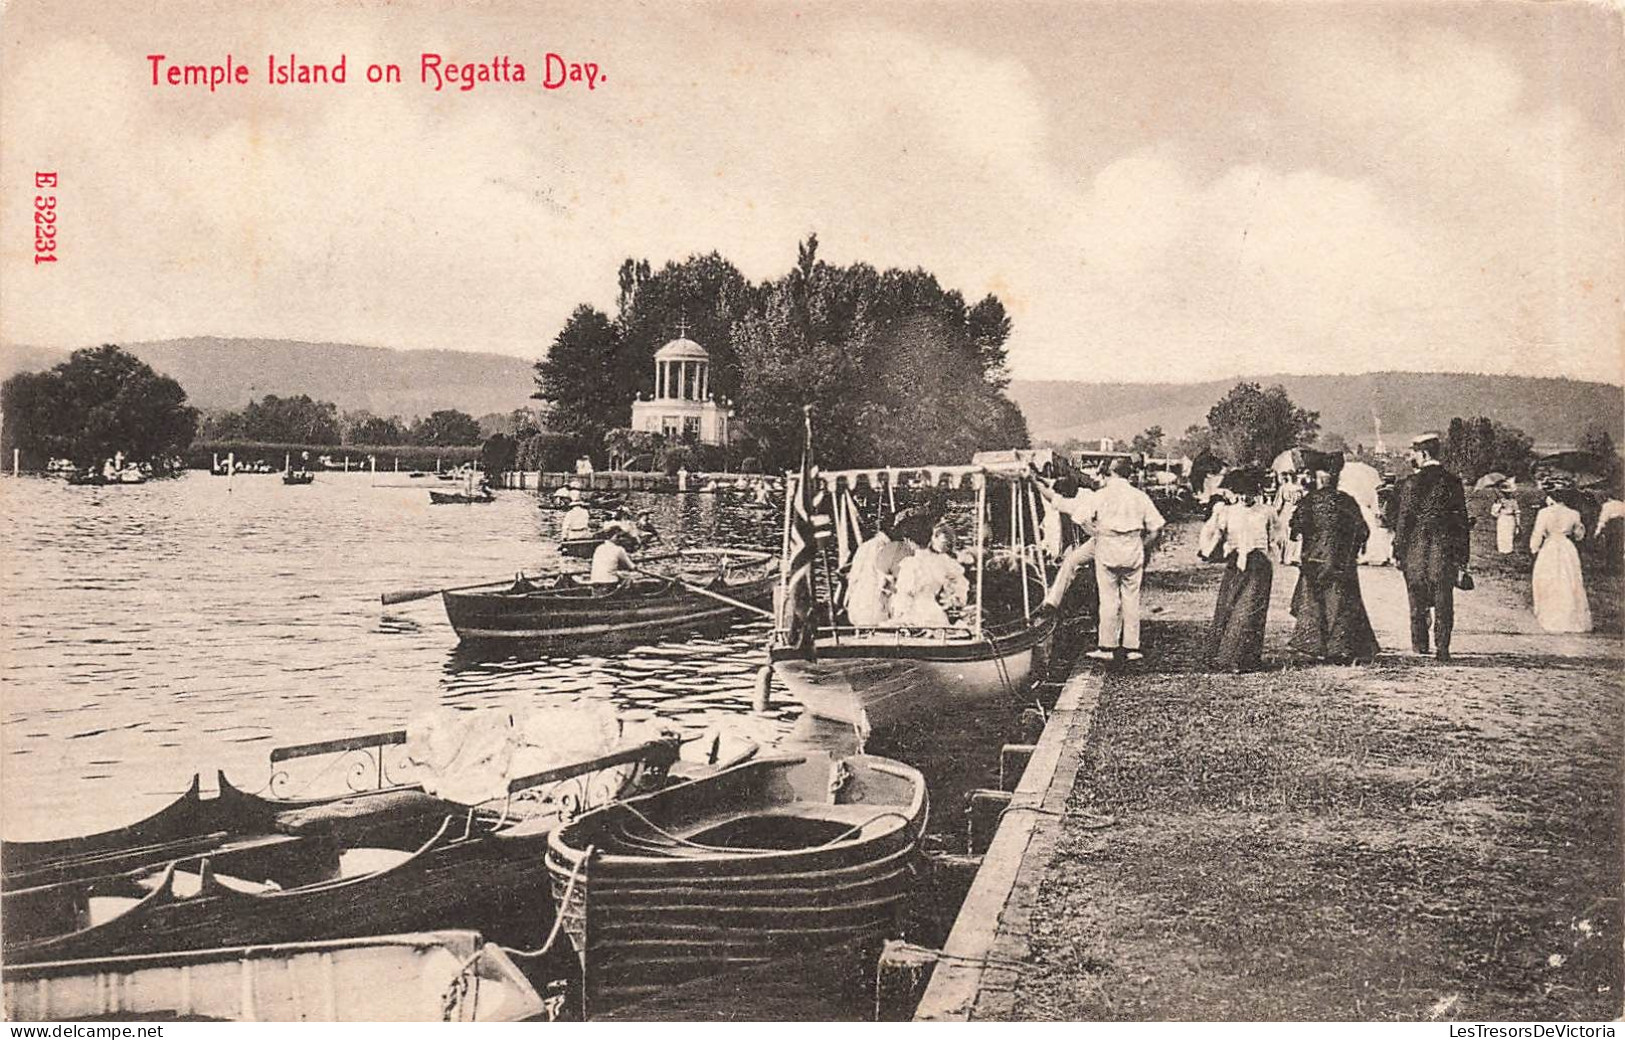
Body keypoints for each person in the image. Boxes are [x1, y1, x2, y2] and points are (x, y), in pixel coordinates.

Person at [1287, 451, 1379, 664]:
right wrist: (1352, 548)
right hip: (1341, 561)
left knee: (1314, 603)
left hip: (1314, 560)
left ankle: (1314, 646)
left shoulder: (1308, 501)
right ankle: (1342, 649)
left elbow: (1295, 529)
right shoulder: (1346, 501)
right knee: (1342, 603)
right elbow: (1363, 531)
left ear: (1318, 479)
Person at [1392, 433, 1471, 661]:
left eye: (1414, 453)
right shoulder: (1453, 482)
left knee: (1416, 597)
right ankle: (1443, 648)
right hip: (1444, 551)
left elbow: (1403, 520)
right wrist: (1463, 557)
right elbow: (1461, 523)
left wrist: (1398, 550)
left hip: (1415, 551)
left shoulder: (1411, 483)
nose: (1412, 457)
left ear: (1424, 453)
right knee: (1443, 598)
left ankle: (1420, 644)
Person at [1082, 457, 1165, 662]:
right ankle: (1132, 647)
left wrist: (1095, 533)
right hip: (1132, 547)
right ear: (1130, 474)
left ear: (1111, 472)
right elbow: (1156, 529)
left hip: (1107, 545)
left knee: (1108, 598)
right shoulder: (1140, 496)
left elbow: (1081, 518)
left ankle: (1107, 646)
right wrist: (1143, 546)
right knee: (1131, 597)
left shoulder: (1101, 495)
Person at [1199, 468, 1276, 672]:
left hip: (1259, 564)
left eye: (1250, 492)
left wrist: (1270, 552)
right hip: (1235, 563)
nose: (1245, 496)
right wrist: (1208, 550)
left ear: (1257, 491)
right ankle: (1221, 655)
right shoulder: (1227, 511)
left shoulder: (1266, 511)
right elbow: (1216, 534)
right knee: (1228, 607)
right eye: (1241, 492)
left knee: (1250, 609)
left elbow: (1276, 536)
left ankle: (1244, 658)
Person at [1529, 486, 1592, 632]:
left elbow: (1537, 533)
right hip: (1566, 547)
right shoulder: (1574, 514)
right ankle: (1569, 616)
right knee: (1569, 579)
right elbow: (1579, 536)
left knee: (1549, 580)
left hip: (1550, 546)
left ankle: (1550, 615)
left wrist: (1534, 548)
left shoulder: (1544, 513)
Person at [1033, 470, 1097, 611]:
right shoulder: (1083, 492)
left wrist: (1033, 481)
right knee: (1070, 561)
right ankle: (1052, 602)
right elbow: (1053, 484)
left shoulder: (1077, 504)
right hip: (1097, 538)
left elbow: (1051, 497)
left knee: (1101, 572)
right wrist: (1037, 477)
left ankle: (1094, 604)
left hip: (1106, 538)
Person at [888, 524, 971, 628]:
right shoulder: (942, 561)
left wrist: (898, 615)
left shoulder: (910, 564)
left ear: (909, 541)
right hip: (935, 613)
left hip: (914, 615)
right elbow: (961, 584)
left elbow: (904, 594)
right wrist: (952, 600)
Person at [844, 513, 911, 627]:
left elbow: (853, 578)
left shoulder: (864, 546)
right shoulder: (889, 549)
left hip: (855, 610)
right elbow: (888, 585)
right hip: (876, 613)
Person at [1490, 482, 1522, 555]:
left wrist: (1518, 523)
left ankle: (1508, 549)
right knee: (1502, 532)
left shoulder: (1513, 501)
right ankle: (1502, 549)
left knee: (1509, 533)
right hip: (1502, 518)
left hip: (1510, 518)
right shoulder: (1499, 501)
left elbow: (1517, 512)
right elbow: (1493, 513)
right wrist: (1499, 506)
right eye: (1505, 493)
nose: (1507, 494)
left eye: (1509, 493)